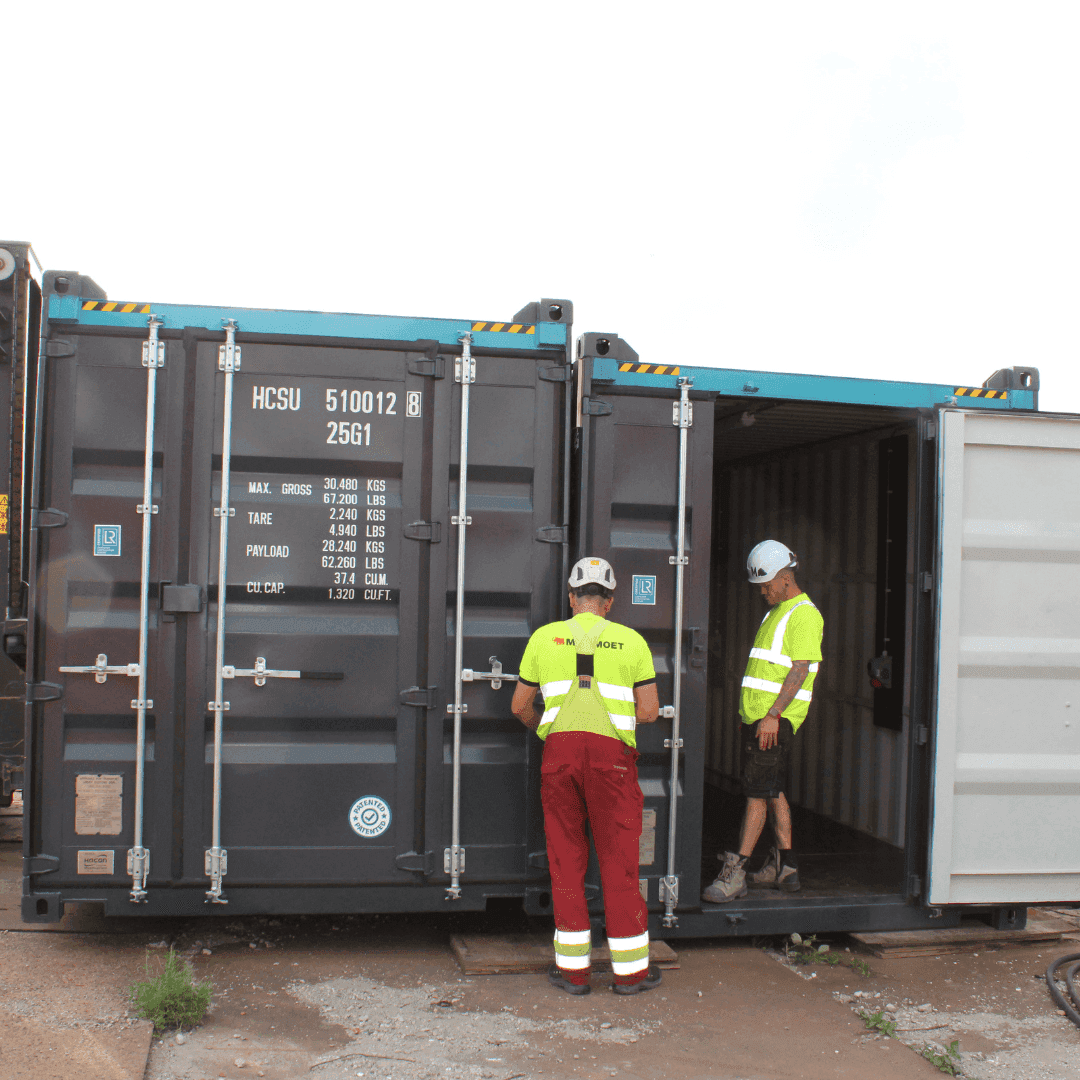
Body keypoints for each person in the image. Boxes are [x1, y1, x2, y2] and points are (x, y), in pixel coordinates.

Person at [511, 557, 663, 996]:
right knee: (620, 866)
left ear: (572, 598)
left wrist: (547, 729)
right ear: (609, 601)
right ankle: (630, 976)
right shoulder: (632, 642)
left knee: (565, 862)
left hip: (559, 759)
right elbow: (649, 711)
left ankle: (574, 975)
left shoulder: (543, 639)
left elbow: (519, 706)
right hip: (612, 763)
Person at [702, 540, 824, 904]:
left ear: (786, 577)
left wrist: (773, 716)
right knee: (771, 790)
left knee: (756, 794)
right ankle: (786, 867)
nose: (762, 591)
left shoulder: (803, 615)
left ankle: (735, 872)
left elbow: (800, 669)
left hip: (774, 721)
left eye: (767, 584)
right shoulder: (777, 612)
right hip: (760, 720)